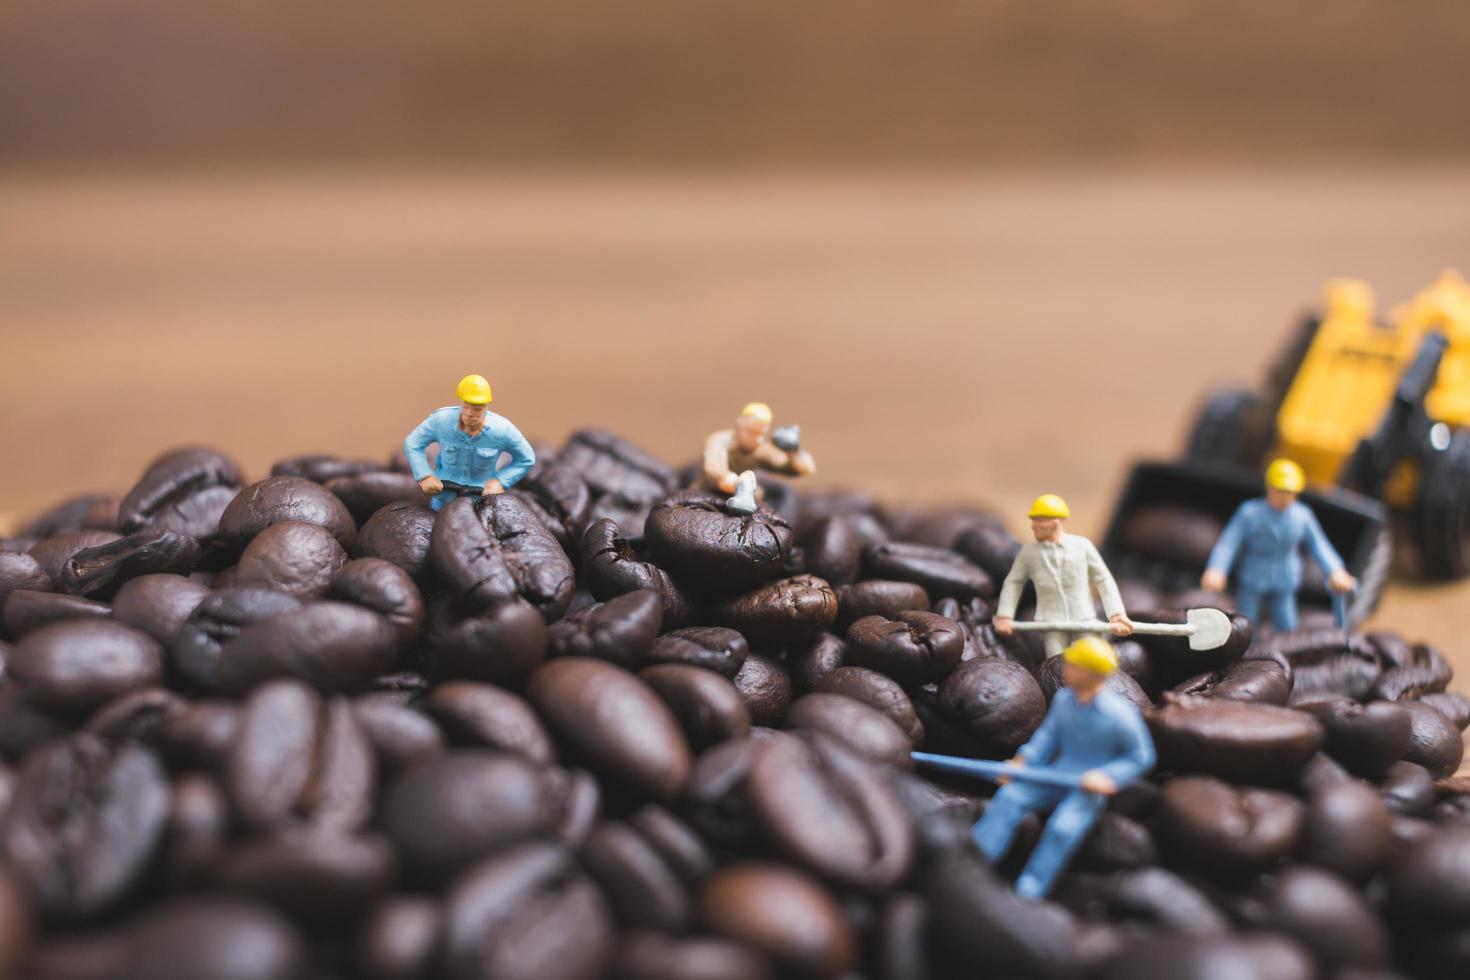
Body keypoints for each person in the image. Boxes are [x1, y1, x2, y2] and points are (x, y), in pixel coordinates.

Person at [971, 636, 1155, 900]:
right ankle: (976, 856)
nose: (1065, 669)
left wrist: (1108, 776)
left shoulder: (1120, 714)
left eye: (1073, 665)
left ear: (1092, 674)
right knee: (1010, 797)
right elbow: (1047, 737)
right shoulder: (1064, 701)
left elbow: (1142, 756)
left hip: (1087, 785)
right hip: (1055, 773)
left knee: (1062, 828)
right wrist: (1023, 761)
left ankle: (1030, 889)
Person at [1201, 458, 1355, 632]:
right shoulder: (1249, 512)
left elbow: (1319, 545)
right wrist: (1217, 569)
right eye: (1280, 491)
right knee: (1244, 623)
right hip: (1253, 575)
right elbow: (1228, 542)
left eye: (1290, 492)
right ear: (1269, 487)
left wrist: (1335, 570)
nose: (1285, 498)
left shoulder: (1302, 517)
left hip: (1285, 577)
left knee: (1287, 624)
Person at [993, 494, 1133, 658]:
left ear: (1055, 523)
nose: (1033, 526)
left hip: (1084, 619)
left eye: (1039, 521)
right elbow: (1013, 583)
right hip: (1052, 623)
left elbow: (1104, 580)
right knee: (1056, 665)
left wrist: (1116, 614)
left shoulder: (1082, 546)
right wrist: (1004, 615)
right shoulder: (1028, 553)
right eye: (1033, 520)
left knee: (1091, 660)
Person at [404, 374, 536, 511]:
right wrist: (425, 476)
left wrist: (501, 482)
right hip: (444, 495)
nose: (470, 414)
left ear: (485, 407)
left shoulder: (502, 430)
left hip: (481, 499)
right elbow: (413, 443)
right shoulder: (441, 421)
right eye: (466, 407)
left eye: (477, 409)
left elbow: (526, 458)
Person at [701, 402, 816, 513]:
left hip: (744, 498)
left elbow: (797, 469)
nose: (757, 439)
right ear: (739, 424)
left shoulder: (759, 449)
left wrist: (793, 452)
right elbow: (714, 468)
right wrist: (738, 483)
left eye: (760, 434)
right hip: (707, 493)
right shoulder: (721, 440)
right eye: (750, 432)